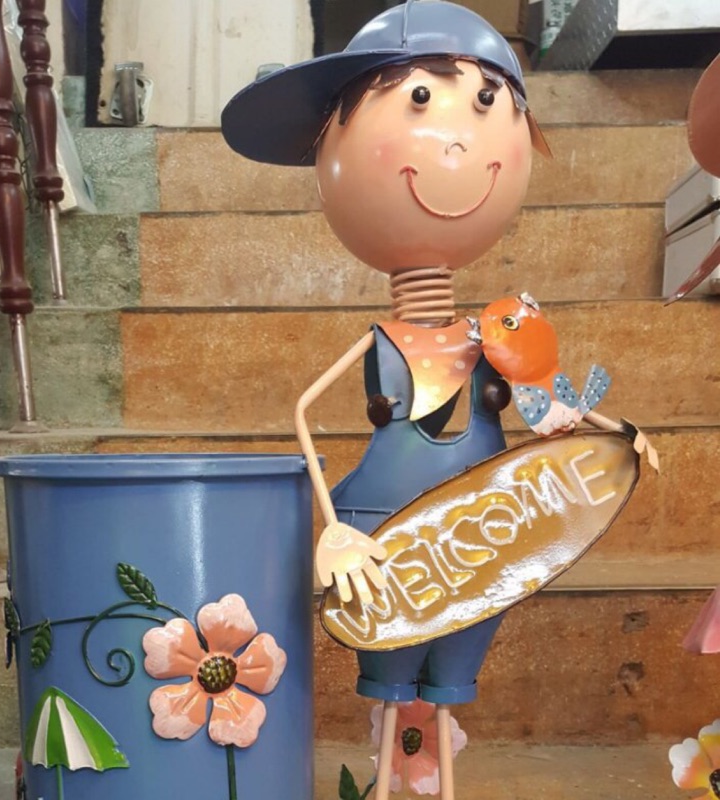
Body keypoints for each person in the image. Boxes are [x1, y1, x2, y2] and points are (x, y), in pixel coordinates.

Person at [222, 3, 655, 798]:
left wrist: (614, 431)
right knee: (391, 689)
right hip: (383, 541)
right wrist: (334, 532)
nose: (455, 140)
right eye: (419, 101)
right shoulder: (381, 344)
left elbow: (547, 400)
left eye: (486, 105)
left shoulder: (500, 334)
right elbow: (304, 415)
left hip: (486, 539)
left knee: (451, 682)